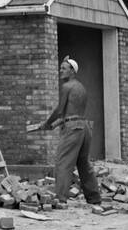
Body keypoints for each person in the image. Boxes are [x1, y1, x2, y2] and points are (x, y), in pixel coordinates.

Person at [37, 56, 106, 212]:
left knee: (63, 162)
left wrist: (47, 123)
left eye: (64, 68)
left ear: (72, 71)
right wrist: (52, 126)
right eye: (60, 68)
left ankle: (60, 199)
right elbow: (71, 114)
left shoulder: (67, 86)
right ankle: (94, 198)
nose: (60, 71)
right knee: (83, 164)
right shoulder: (81, 87)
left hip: (72, 128)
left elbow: (60, 111)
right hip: (84, 126)